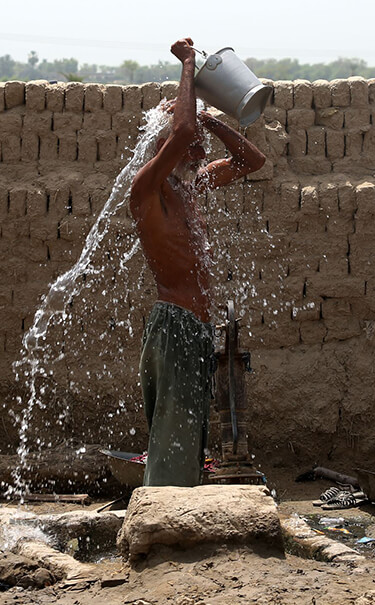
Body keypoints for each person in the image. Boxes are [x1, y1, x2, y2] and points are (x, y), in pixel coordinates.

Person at [130, 37, 266, 487]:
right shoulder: (148, 189)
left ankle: (174, 514)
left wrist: (212, 120)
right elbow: (183, 132)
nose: (202, 152)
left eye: (202, 144)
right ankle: (158, 518)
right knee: (173, 441)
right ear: (165, 144)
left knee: (188, 440)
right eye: (193, 146)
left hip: (195, 330)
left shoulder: (191, 186)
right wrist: (188, 64)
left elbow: (251, 160)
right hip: (174, 326)